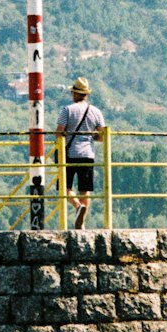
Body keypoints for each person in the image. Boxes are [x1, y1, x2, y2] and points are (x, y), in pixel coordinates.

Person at [55, 76, 105, 229]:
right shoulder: (96, 112)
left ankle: (77, 207)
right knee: (85, 189)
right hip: (88, 154)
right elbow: (102, 136)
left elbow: (59, 132)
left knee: (65, 187)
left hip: (69, 154)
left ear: (75, 94)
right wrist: (90, 136)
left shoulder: (67, 110)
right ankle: (81, 224)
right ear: (86, 94)